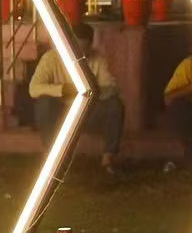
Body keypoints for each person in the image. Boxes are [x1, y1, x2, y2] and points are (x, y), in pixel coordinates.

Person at [29, 21, 125, 172]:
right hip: (60, 112)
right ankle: (51, 155)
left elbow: (111, 87)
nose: (79, 54)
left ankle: (108, 157)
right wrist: (63, 89)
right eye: (76, 48)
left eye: (83, 50)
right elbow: (33, 88)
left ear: (90, 46)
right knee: (44, 103)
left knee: (115, 105)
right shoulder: (51, 58)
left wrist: (89, 91)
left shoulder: (97, 59)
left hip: (85, 112)